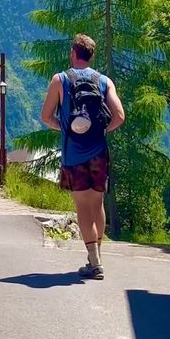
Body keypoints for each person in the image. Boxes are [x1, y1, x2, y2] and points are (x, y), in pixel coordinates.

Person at [41, 33, 125, 280]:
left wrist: (66, 128)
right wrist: (101, 130)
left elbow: (46, 117)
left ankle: (94, 262)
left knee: (82, 207)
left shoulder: (60, 80)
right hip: (99, 153)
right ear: (91, 55)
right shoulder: (104, 81)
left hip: (74, 154)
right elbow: (119, 116)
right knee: (97, 204)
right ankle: (96, 255)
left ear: (72, 53)